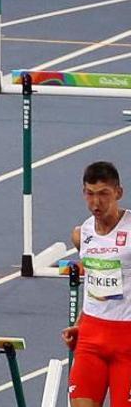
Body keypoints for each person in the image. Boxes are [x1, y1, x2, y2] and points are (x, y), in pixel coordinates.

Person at [63, 161, 131, 407]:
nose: (96, 203)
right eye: (90, 194)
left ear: (118, 193)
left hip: (127, 340)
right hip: (91, 337)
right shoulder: (82, 233)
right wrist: (80, 324)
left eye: (103, 194)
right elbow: (94, 282)